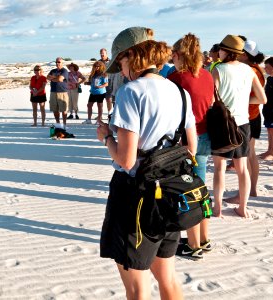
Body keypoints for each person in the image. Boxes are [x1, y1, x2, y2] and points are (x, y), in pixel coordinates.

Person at [97, 26, 197, 299]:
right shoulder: (179, 91)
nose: (120, 69)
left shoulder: (132, 92)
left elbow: (126, 159)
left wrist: (106, 137)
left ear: (131, 56)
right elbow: (191, 148)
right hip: (170, 190)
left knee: (136, 284)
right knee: (168, 278)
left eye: (120, 61)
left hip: (135, 193)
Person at [168, 33, 214, 260]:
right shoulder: (206, 75)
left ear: (177, 55)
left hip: (186, 139)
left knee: (188, 192)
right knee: (201, 189)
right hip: (205, 135)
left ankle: (193, 244)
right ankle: (204, 239)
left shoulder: (177, 77)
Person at [211, 35, 267, 218]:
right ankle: (243, 208)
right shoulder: (249, 70)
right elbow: (262, 99)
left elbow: (213, 100)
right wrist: (244, 100)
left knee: (219, 167)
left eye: (220, 49)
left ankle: (217, 209)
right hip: (243, 122)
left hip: (223, 123)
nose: (218, 51)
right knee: (242, 168)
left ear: (226, 51)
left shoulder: (218, 70)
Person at [225, 39, 265, 198]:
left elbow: (258, 97)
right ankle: (252, 189)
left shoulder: (248, 70)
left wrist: (240, 100)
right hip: (254, 115)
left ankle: (245, 193)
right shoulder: (258, 69)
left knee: (244, 157)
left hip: (246, 116)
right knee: (251, 154)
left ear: (245, 55)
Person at [47, 57, 69, 127]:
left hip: (62, 92)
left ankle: (64, 124)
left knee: (64, 109)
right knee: (55, 109)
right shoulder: (53, 70)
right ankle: (58, 123)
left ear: (62, 63)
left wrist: (53, 78)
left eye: (59, 62)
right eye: (56, 62)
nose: (57, 63)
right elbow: (47, 77)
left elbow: (60, 79)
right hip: (53, 92)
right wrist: (56, 78)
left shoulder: (64, 71)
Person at [99, 48, 114, 115]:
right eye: (101, 53)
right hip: (100, 81)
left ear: (106, 53)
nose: (102, 54)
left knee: (108, 98)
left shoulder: (111, 61)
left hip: (109, 81)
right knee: (100, 99)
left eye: (103, 53)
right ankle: (100, 115)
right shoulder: (98, 62)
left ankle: (109, 113)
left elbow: (113, 72)